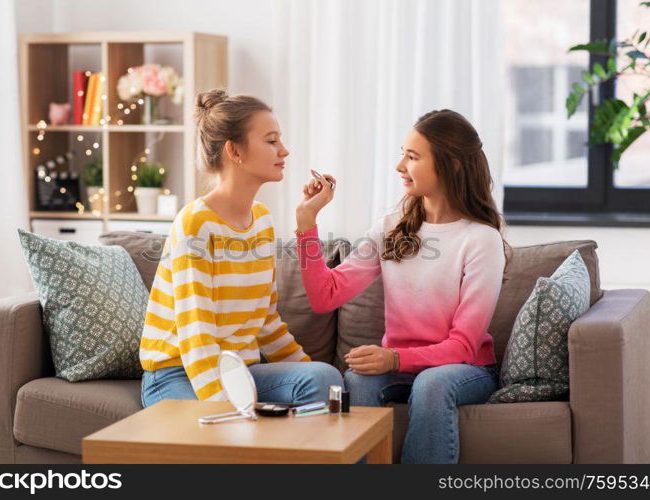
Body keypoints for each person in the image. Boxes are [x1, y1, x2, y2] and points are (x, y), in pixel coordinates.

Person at [295, 109, 508, 463]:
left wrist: (393, 357)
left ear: (451, 164)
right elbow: (324, 296)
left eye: (412, 156)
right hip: (401, 366)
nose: (399, 166)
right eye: (402, 154)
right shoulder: (391, 227)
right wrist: (306, 222)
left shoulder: (480, 240)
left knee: (433, 383)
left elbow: (463, 345)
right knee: (359, 381)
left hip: (466, 369)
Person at [140, 89, 342, 407]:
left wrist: (318, 383)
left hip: (239, 371)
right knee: (220, 440)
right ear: (235, 151)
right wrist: (231, 410)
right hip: (177, 372)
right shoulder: (195, 224)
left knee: (323, 379)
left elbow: (266, 322)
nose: (284, 151)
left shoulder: (261, 220)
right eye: (272, 140)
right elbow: (197, 337)